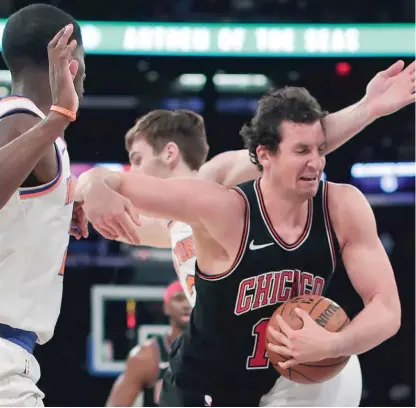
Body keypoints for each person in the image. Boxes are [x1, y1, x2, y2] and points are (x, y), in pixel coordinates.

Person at [77, 82, 410, 406]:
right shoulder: (213, 207)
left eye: (320, 150)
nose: (318, 161)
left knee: (336, 368)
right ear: (265, 155)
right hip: (208, 375)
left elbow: (387, 309)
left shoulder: (336, 205)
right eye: (302, 151)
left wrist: (336, 343)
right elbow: (109, 184)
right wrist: (90, 187)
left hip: (291, 370)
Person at [104, 58, 415, 307]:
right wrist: (76, 202)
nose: (133, 170)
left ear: (170, 153)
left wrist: (368, 108)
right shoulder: (168, 224)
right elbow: (112, 217)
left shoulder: (215, 177)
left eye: (138, 158)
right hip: (242, 350)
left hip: (304, 337)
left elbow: (296, 144)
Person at [0, 4, 94, 406]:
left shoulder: (28, 128)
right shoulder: (24, 120)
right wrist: (59, 116)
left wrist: (57, 210)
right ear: (69, 61)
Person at [106, 281, 191, 407]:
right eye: (179, 299)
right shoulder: (145, 356)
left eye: (191, 297)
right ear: (166, 307)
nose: (186, 305)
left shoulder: (217, 351)